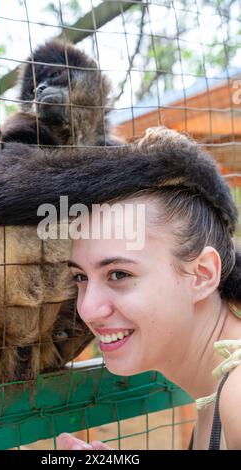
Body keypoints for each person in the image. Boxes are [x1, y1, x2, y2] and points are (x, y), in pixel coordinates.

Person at [52, 127, 241, 450]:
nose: (87, 309)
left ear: (202, 275)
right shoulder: (217, 392)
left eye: (119, 274)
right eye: (80, 278)